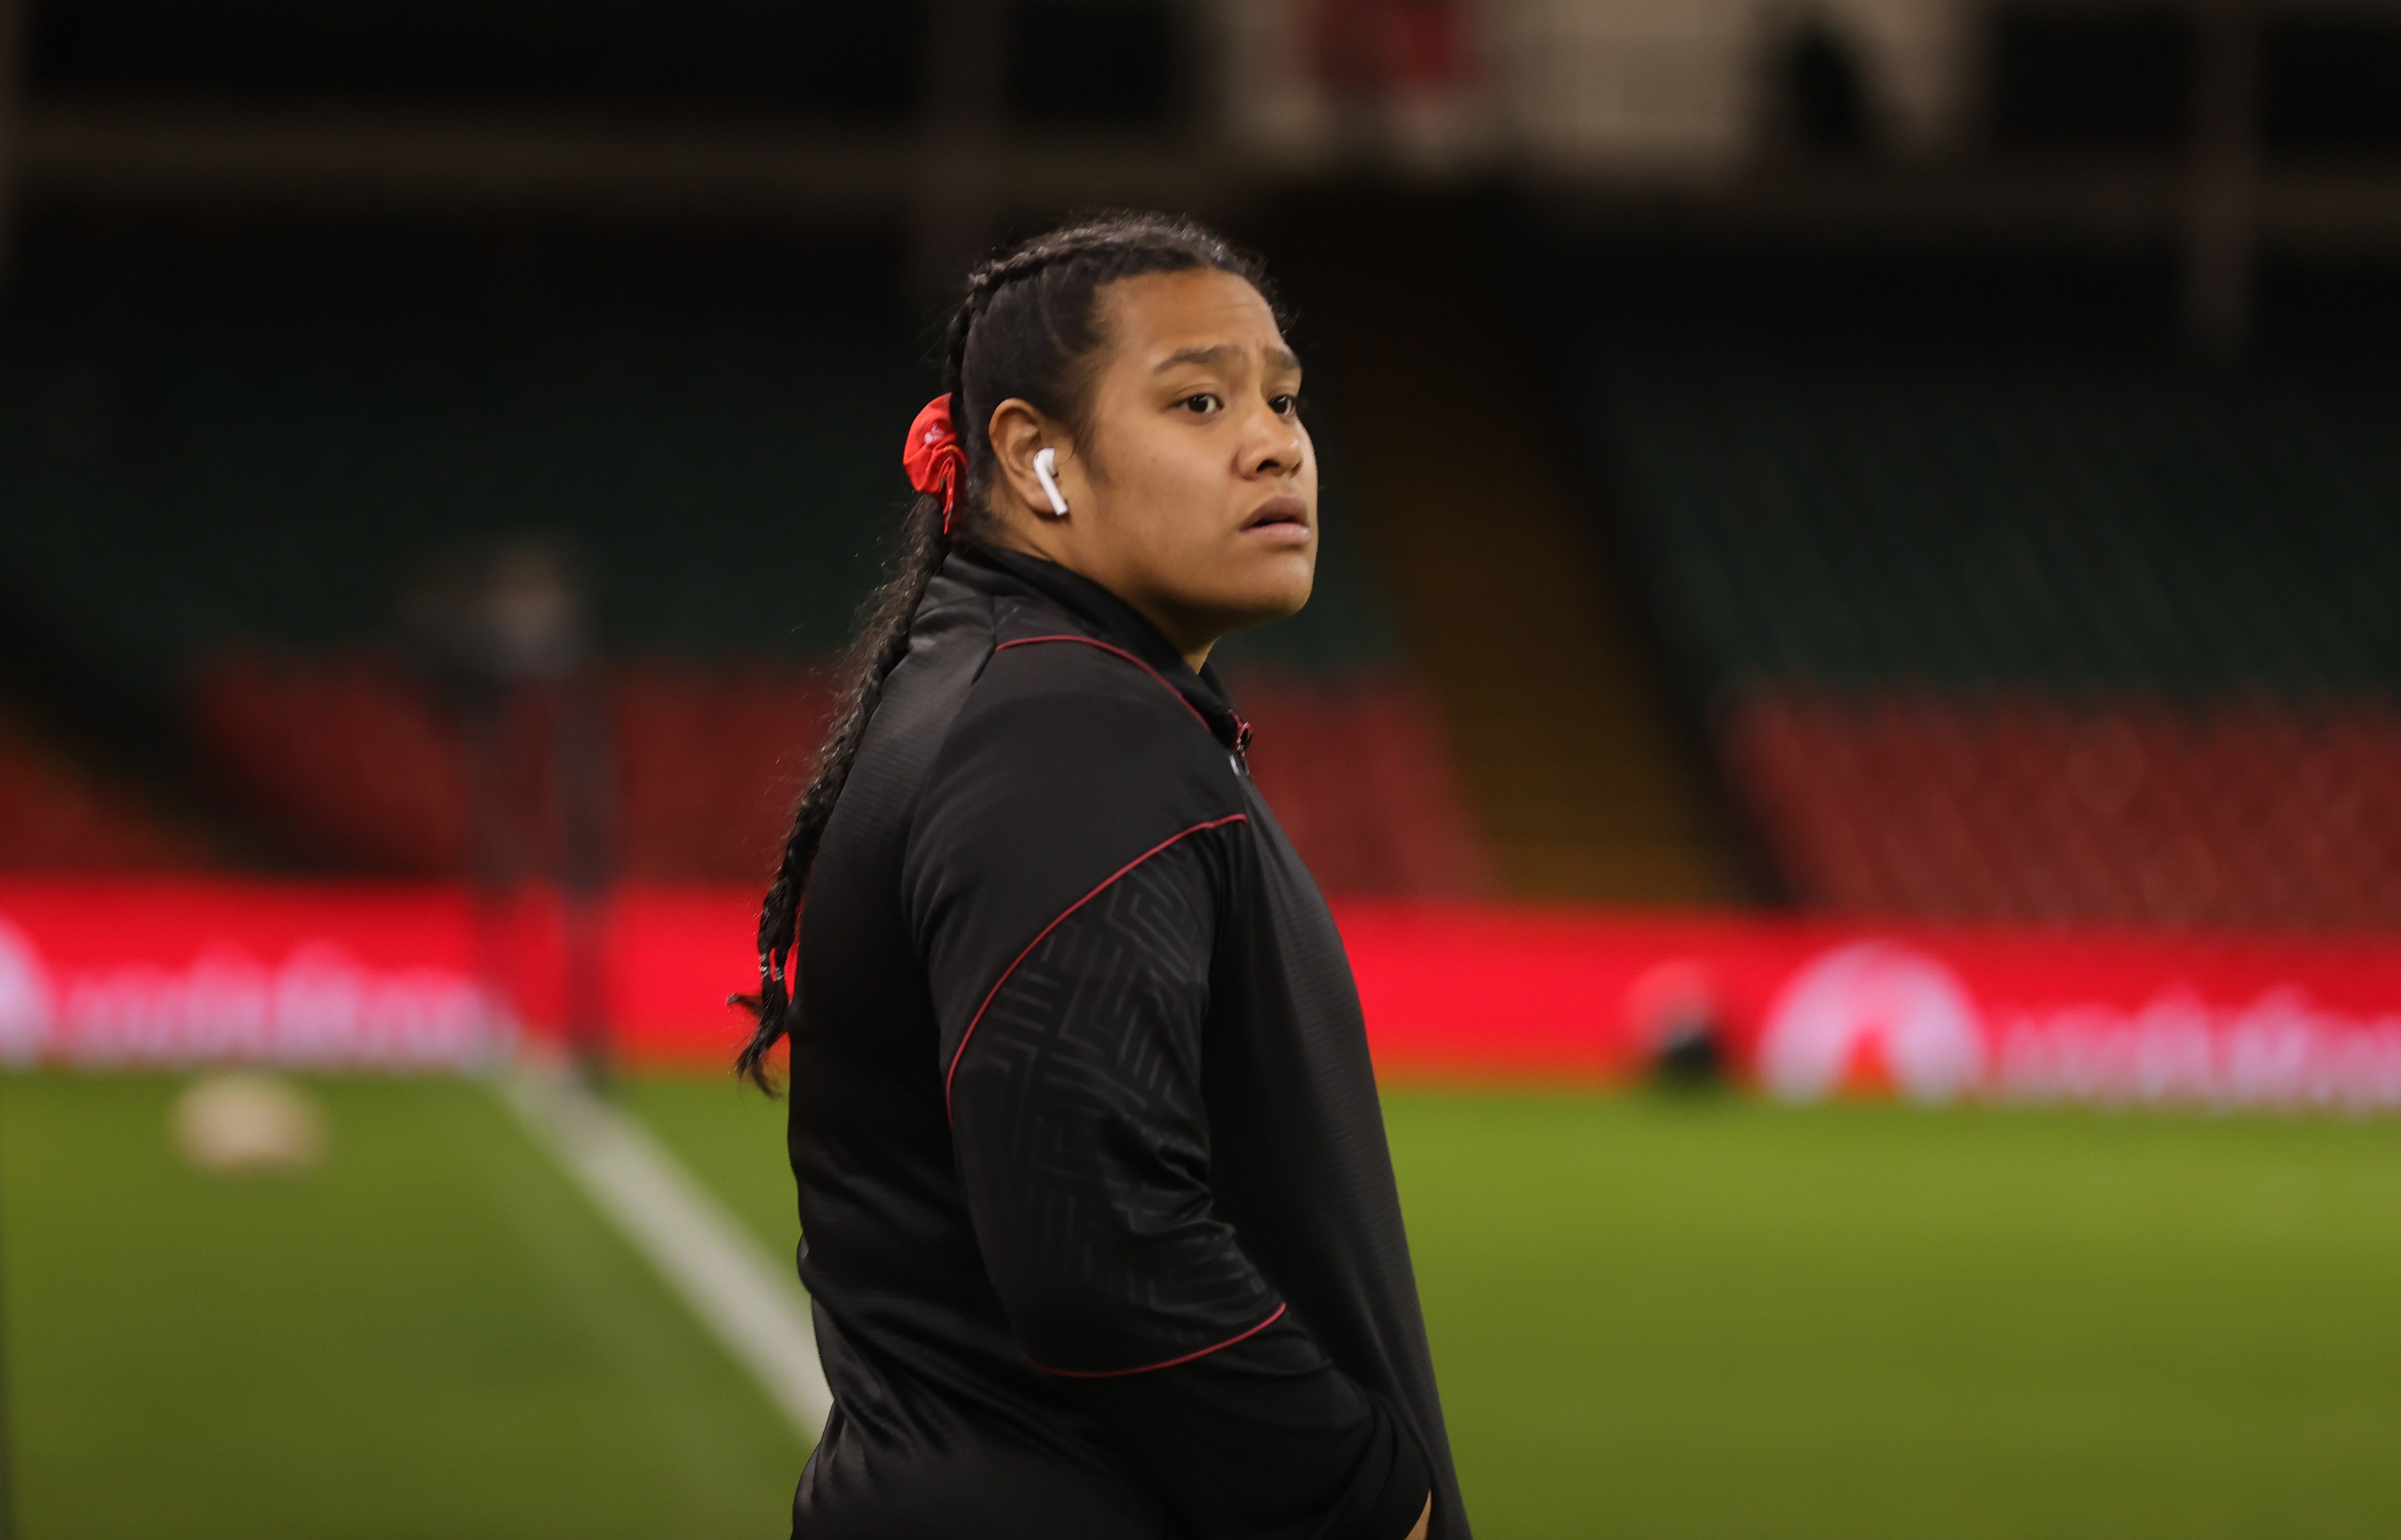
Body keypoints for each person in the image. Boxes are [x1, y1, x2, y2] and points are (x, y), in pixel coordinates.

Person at [735, 213, 1466, 1540]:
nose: (1275, 441)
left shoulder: (1025, 693)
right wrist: (1365, 1500)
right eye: (1199, 399)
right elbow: (1100, 1241)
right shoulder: (1067, 733)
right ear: (1032, 454)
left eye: (1285, 399)